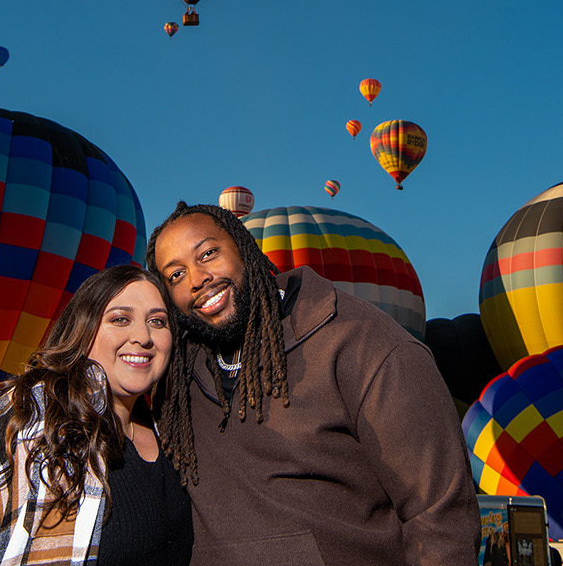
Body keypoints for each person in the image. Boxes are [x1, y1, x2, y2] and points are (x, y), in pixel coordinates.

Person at [147, 201, 479, 566]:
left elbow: (440, 515)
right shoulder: (176, 375)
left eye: (208, 253)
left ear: (243, 247)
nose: (197, 279)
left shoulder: (363, 343)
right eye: (175, 275)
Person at [0, 262, 191, 565]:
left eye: (158, 321)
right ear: (84, 331)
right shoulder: (33, 416)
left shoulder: (172, 432)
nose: (143, 336)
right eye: (120, 319)